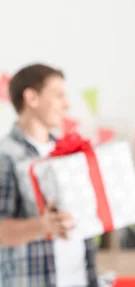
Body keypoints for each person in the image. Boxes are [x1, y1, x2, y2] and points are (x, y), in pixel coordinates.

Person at [0, 64, 98, 287]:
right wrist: (43, 226)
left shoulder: (69, 153)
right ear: (31, 98)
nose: (67, 105)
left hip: (82, 278)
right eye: (58, 95)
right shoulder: (6, 155)